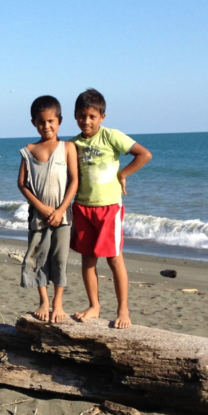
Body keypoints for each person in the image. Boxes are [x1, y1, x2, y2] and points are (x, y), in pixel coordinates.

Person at [69, 88, 152, 329]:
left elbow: (144, 154)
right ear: (75, 116)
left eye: (92, 117)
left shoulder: (110, 136)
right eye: (82, 116)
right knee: (88, 259)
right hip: (83, 208)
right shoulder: (73, 144)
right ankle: (94, 305)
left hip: (109, 210)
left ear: (102, 117)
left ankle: (123, 309)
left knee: (115, 259)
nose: (87, 121)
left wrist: (122, 173)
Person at [17, 95, 79, 322]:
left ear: (59, 120)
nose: (46, 126)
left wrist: (61, 209)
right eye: (41, 122)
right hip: (38, 216)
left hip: (63, 216)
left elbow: (74, 181)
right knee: (37, 256)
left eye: (51, 121)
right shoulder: (29, 150)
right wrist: (41, 207)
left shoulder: (68, 147)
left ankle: (57, 303)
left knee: (60, 257)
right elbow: (22, 184)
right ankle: (43, 301)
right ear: (34, 122)